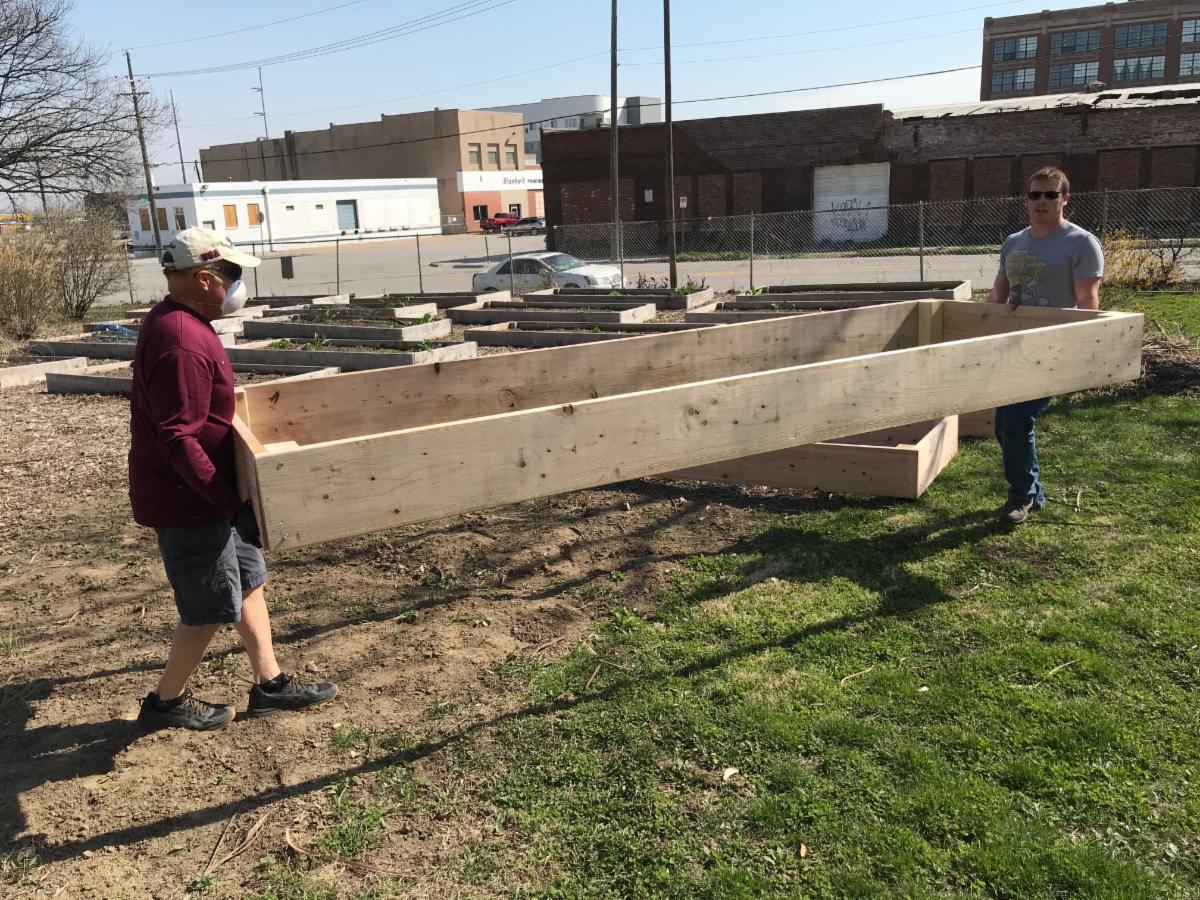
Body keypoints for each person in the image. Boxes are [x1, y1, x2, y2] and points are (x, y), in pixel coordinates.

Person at [130, 228, 337, 731]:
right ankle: (164, 705)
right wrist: (226, 502)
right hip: (192, 500)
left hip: (214, 495)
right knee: (206, 606)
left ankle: (270, 685)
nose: (238, 285)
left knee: (247, 580)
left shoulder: (184, 322)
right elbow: (179, 439)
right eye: (232, 275)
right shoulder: (181, 340)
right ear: (204, 279)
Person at [985, 167, 1104, 525]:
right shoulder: (1013, 242)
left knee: (1017, 420)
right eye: (1035, 195)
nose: (1041, 201)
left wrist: (1081, 352)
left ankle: (1021, 495)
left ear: (1064, 199)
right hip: (1013, 346)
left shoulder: (1081, 243)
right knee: (1003, 424)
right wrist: (976, 328)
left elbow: (1088, 302)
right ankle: (1033, 492)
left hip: (1052, 348)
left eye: (1050, 195)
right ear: (1026, 199)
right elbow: (997, 295)